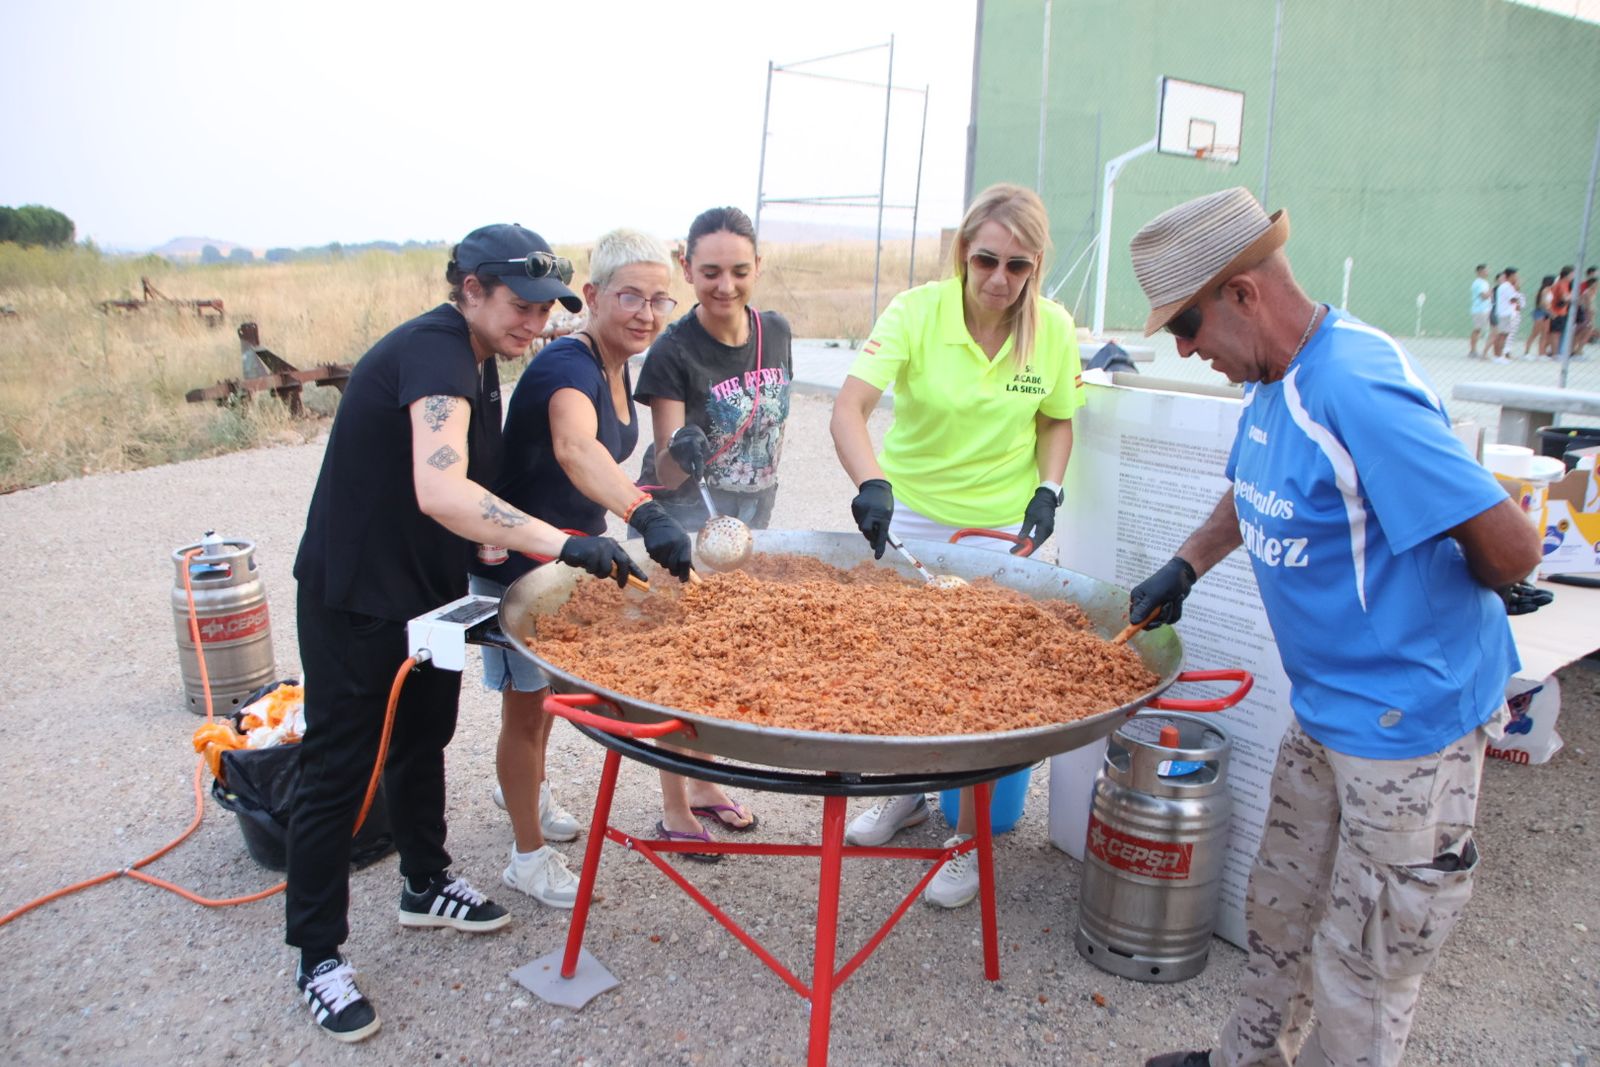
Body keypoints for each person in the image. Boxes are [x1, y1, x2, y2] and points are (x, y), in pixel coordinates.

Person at [1124, 188, 1544, 1067]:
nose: (1186, 348)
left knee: (1365, 962)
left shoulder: (1356, 385)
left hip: (1407, 727)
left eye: (1187, 324)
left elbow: (1512, 547)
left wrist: (1473, 579)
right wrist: (1187, 565)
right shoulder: (1273, 380)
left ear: (1243, 294)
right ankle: (1246, 1059)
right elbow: (1251, 488)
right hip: (1325, 710)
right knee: (1282, 909)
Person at [287, 224, 646, 1043]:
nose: (535, 322)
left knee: (425, 738)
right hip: (356, 596)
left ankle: (425, 882)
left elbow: (464, 491)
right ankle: (317, 954)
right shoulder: (437, 351)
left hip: (427, 592)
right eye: (520, 305)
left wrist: (493, 542)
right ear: (470, 288)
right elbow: (442, 489)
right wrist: (563, 543)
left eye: (546, 308)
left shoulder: (481, 359)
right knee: (339, 769)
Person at [829, 182, 1084, 909]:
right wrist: (871, 482)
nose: (999, 280)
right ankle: (906, 795)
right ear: (963, 254)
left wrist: (1049, 489)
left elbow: (1057, 420)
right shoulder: (916, 312)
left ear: (1035, 267)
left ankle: (968, 840)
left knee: (981, 687)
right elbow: (849, 407)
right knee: (901, 667)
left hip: (1000, 532)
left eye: (1018, 266)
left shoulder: (1053, 328)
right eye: (986, 261)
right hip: (911, 517)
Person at [469, 229, 699, 893]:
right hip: (517, 562)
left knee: (543, 699)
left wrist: (674, 470)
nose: (646, 313)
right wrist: (643, 515)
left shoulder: (618, 365)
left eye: (659, 300)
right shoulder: (567, 366)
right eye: (630, 296)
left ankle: (528, 793)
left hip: (571, 557)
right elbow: (576, 449)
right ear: (593, 296)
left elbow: (609, 464)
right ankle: (527, 858)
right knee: (524, 709)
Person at [633, 205, 794, 844]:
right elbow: (667, 467)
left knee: (724, 658)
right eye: (709, 273)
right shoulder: (673, 352)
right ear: (687, 267)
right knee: (681, 666)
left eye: (739, 271)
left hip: (749, 519)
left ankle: (703, 785)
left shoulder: (774, 331)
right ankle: (675, 807)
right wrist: (685, 444)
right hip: (686, 524)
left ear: (758, 266)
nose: (725, 286)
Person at [1490, 266, 1523, 363]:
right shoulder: (1507, 286)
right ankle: (1499, 356)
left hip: (1504, 313)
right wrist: (1517, 290)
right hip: (1505, 314)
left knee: (1503, 335)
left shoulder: (1505, 286)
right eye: (1516, 276)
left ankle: (1498, 356)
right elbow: (1513, 299)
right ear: (1511, 276)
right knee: (1503, 335)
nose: (1517, 278)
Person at [1524, 273, 1556, 358]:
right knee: (1535, 333)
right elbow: (1543, 303)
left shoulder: (1550, 290)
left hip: (1547, 313)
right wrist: (1550, 311)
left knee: (1545, 334)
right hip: (1541, 313)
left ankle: (1541, 353)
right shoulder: (1545, 290)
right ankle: (1526, 352)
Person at [1467, 263, 1491, 358]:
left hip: (1485, 309)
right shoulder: (1478, 283)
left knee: (1479, 330)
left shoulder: (1484, 282)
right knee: (1477, 330)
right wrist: (1492, 291)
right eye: (1486, 270)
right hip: (1479, 310)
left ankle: (1475, 351)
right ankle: (1473, 351)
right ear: (1480, 272)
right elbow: (1484, 296)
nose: (1488, 272)